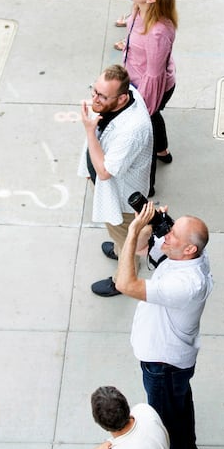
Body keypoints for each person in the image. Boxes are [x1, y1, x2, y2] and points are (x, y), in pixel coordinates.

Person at [112, 201, 213, 449]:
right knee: (182, 407)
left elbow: (125, 283)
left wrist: (130, 231)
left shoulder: (185, 284)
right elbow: (146, 248)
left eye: (173, 237)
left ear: (189, 251)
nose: (166, 238)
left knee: (166, 428)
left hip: (163, 365)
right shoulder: (187, 257)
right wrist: (150, 225)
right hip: (174, 362)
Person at [82, 64, 153, 297]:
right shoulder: (128, 94)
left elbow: (105, 172)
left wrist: (90, 132)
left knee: (126, 237)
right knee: (116, 233)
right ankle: (118, 247)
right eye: (94, 91)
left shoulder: (131, 130)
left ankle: (122, 277)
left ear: (122, 98)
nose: (95, 99)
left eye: (102, 96)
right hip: (111, 187)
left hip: (121, 197)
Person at [114, 0, 178, 183]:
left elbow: (154, 75)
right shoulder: (139, 9)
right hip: (136, 81)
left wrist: (143, 108)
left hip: (149, 88)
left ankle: (146, 185)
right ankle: (163, 150)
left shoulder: (157, 33)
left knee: (144, 133)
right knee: (153, 117)